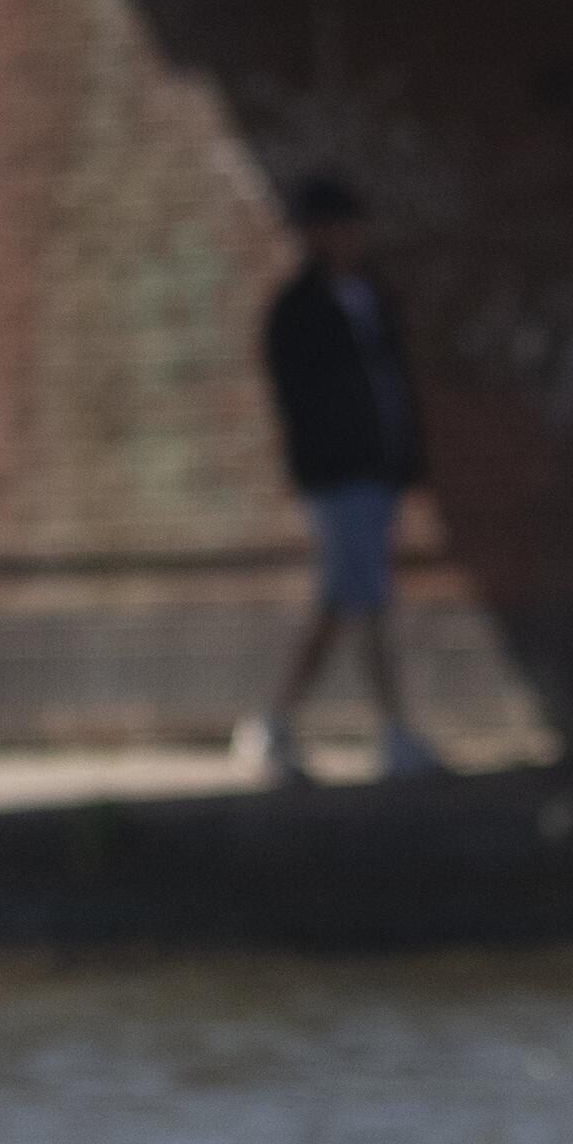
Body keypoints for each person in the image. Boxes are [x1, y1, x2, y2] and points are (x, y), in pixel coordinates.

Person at [248, 173, 428, 784]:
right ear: (320, 234)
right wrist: (322, 465)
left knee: (345, 597)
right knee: (366, 595)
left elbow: (392, 389)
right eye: (345, 227)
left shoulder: (372, 298)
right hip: (338, 476)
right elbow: (302, 404)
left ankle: (275, 723)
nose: (358, 238)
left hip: (376, 471)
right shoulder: (297, 309)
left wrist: (406, 463)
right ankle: (392, 731)